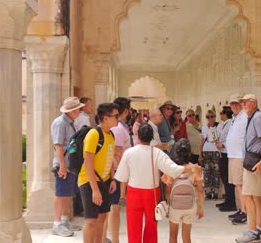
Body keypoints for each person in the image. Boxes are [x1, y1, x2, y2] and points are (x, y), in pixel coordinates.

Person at [114, 123, 202, 243]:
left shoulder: (129, 153)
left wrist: (123, 194)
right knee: (151, 225)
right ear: (152, 138)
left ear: (138, 136)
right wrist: (191, 168)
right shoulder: (157, 153)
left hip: (133, 193)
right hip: (151, 193)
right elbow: (174, 170)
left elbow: (123, 177)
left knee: (133, 226)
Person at [79, 103, 118, 243]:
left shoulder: (111, 135)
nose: (118, 119)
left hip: (105, 181)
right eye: (115, 116)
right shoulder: (93, 134)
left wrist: (113, 179)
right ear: (106, 118)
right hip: (89, 181)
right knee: (91, 220)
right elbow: (87, 162)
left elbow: (110, 157)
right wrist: (95, 189)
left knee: (102, 217)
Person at [235, 94, 261, 243]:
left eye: (245, 102)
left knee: (248, 196)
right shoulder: (254, 117)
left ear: (253, 103)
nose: (242, 105)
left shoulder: (258, 117)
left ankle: (253, 232)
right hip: (253, 160)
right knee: (255, 196)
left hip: (255, 162)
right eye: (241, 102)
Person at [50, 96, 85, 237]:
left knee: (67, 193)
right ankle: (57, 224)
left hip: (69, 163)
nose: (79, 111)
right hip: (63, 163)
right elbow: (58, 145)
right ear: (71, 110)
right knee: (60, 193)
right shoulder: (60, 123)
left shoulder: (70, 122)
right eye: (77, 109)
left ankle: (64, 220)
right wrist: (62, 165)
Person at [162, 139, 204, 243]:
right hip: (190, 206)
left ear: (175, 152)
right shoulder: (195, 168)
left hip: (174, 206)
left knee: (173, 235)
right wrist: (200, 207)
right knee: (187, 236)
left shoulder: (171, 169)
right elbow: (200, 191)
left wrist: (167, 206)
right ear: (189, 153)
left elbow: (167, 191)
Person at [104, 97, 132, 243]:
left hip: (113, 172)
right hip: (116, 173)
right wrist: (122, 175)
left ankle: (104, 238)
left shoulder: (117, 127)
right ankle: (114, 240)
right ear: (126, 110)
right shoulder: (119, 129)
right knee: (114, 209)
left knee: (108, 209)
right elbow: (117, 153)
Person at [226, 93, 248, 224]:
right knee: (237, 185)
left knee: (240, 185)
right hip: (233, 155)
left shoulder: (244, 116)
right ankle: (242, 209)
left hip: (239, 155)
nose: (234, 106)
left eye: (237, 103)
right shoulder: (236, 117)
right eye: (232, 103)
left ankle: (245, 212)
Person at [215, 106, 236, 212]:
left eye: (221, 113)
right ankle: (228, 200)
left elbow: (231, 139)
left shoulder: (230, 124)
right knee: (225, 178)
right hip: (223, 153)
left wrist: (222, 145)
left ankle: (231, 202)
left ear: (225, 114)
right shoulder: (227, 124)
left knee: (227, 179)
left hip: (226, 153)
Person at [200, 109, 221, 200]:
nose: (210, 119)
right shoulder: (204, 127)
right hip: (206, 151)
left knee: (216, 171)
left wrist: (212, 129)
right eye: (208, 117)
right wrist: (200, 154)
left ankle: (215, 192)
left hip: (215, 150)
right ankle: (208, 192)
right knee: (207, 171)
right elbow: (201, 141)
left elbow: (218, 137)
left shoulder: (219, 126)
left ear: (215, 117)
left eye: (212, 116)